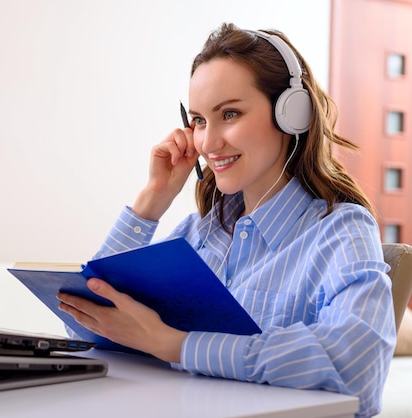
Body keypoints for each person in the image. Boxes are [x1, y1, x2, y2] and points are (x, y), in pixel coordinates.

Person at [56, 23, 396, 418]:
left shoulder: (341, 231)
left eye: (229, 114)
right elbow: (87, 324)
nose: (208, 142)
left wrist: (176, 344)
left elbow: (357, 367)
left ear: (291, 114)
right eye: (199, 120)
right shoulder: (201, 232)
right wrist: (151, 201)